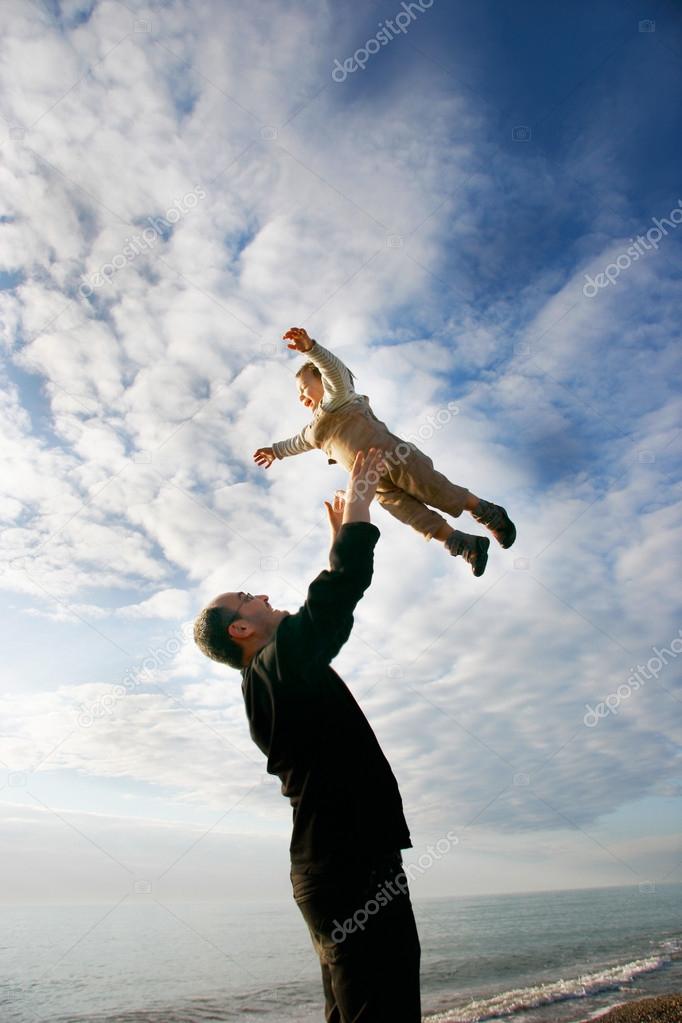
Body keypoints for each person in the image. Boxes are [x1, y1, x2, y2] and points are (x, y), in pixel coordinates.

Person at [193, 450, 421, 1022]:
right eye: (248, 599)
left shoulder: (273, 675)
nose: (264, 595)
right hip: (349, 869)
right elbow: (337, 595)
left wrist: (345, 532)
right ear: (241, 629)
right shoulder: (274, 669)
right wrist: (362, 499)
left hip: (339, 868)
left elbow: (319, 614)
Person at [253, 327, 516, 578]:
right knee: (412, 516)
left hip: (396, 457)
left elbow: (333, 371)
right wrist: (276, 451)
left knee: (437, 490)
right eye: (298, 394)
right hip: (371, 481)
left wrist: (311, 349)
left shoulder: (338, 397)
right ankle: (466, 544)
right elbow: (297, 442)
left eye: (303, 388)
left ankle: (489, 513)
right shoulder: (312, 430)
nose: (301, 397)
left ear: (322, 380)